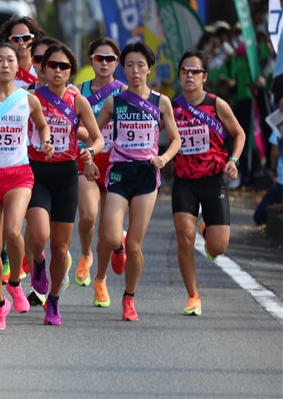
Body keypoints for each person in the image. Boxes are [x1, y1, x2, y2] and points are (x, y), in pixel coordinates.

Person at [0, 41, 54, 330]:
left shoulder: (28, 99)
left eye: (10, 60)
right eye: (0, 60)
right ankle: (0, 304)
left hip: (19, 175)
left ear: (19, 66)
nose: (5, 65)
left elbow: (42, 125)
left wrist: (46, 140)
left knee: (13, 231)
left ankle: (15, 282)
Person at [93, 41, 181, 321]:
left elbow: (176, 139)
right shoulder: (114, 101)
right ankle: (116, 249)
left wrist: (164, 158)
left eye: (140, 65)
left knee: (135, 244)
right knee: (109, 235)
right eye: (129, 65)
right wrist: (89, 150)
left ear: (149, 69)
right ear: (123, 68)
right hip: (119, 171)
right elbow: (96, 133)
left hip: (146, 173)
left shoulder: (160, 101)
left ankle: (129, 298)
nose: (135, 71)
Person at [25, 44, 104, 326]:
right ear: (44, 68)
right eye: (53, 65)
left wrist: (90, 152)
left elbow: (98, 138)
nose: (58, 71)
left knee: (60, 248)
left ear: (71, 71)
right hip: (36, 172)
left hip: (67, 175)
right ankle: (37, 261)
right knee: (37, 235)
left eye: (64, 66)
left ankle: (54, 300)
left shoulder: (77, 100)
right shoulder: (31, 98)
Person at [171, 50, 245, 315]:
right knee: (183, 236)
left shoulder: (217, 105)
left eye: (195, 72)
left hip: (213, 179)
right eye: (184, 71)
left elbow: (239, 133)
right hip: (184, 180)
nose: (189, 76)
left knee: (217, 247)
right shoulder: (171, 106)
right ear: (179, 75)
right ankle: (193, 296)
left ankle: (206, 228)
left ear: (204, 77)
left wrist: (233, 160)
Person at [73, 38, 125, 290]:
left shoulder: (126, 93)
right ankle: (85, 253)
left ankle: (101, 279)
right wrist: (90, 138)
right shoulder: (77, 91)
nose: (104, 63)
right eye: (98, 58)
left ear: (117, 63)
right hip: (87, 157)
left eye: (110, 59)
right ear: (90, 60)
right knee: (88, 215)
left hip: (118, 161)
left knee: (108, 230)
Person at [0, 16, 46, 88]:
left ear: (33, 39)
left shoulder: (45, 69)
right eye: (16, 39)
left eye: (25, 38)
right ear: (9, 42)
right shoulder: (2, 71)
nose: (21, 43)